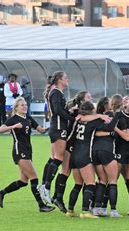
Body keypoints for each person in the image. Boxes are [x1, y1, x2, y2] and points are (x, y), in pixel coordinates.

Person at [0, 97, 55, 212]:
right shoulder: (13, 119)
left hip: (28, 151)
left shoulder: (28, 118)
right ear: (16, 108)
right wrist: (13, 127)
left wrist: (52, 126)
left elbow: (41, 130)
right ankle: (41, 205)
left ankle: (1, 192)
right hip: (19, 151)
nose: (25, 107)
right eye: (22, 105)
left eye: (26, 105)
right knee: (34, 178)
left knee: (23, 182)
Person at [68, 101, 118, 218]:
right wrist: (117, 116)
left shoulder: (77, 119)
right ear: (91, 111)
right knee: (90, 184)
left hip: (73, 155)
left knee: (78, 184)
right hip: (84, 154)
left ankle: (70, 210)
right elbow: (109, 127)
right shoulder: (93, 122)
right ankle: (85, 211)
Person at [38, 71, 76, 205]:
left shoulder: (56, 92)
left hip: (57, 127)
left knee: (54, 158)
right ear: (59, 80)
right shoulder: (56, 93)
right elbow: (58, 111)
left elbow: (60, 110)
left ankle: (43, 185)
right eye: (65, 78)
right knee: (59, 158)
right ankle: (46, 187)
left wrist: (69, 110)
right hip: (59, 128)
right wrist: (72, 118)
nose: (67, 79)